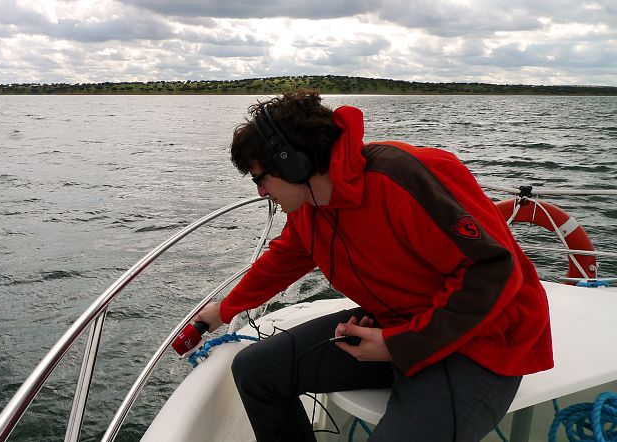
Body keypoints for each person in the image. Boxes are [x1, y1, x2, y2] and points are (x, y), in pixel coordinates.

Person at [193, 90, 553, 441]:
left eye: (260, 179)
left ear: (293, 162)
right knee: (256, 372)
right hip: (399, 325)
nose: (260, 192)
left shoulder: (405, 177)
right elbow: (283, 260)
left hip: (482, 340)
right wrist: (224, 310)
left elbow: (493, 271)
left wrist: (398, 344)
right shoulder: (309, 205)